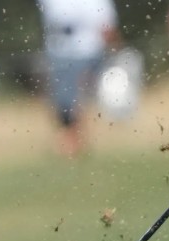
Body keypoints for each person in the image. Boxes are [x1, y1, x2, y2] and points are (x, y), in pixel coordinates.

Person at [36, 0, 120, 157]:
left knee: (78, 101)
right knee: (61, 102)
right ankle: (70, 141)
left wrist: (115, 51)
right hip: (58, 53)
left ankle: (76, 143)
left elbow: (107, 26)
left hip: (87, 52)